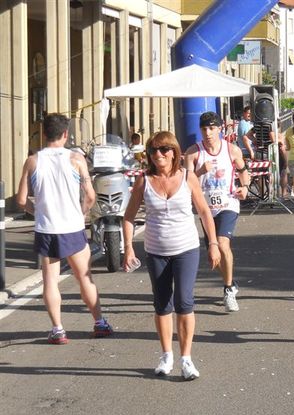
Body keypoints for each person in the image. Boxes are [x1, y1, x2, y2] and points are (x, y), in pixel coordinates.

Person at [123, 131, 220, 380]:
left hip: (186, 248)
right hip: (156, 251)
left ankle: (186, 359)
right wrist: (129, 247)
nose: (158, 155)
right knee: (162, 303)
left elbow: (204, 212)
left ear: (174, 152)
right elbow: (129, 217)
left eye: (164, 150)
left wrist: (213, 243)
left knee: (184, 302)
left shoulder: (188, 177)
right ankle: (167, 355)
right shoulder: (143, 181)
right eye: (153, 151)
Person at [16, 113, 113, 344]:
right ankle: (99, 322)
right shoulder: (76, 159)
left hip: (46, 227)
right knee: (84, 276)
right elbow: (90, 196)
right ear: (66, 134)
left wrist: (37, 211)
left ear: (44, 133)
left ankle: (58, 328)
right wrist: (80, 212)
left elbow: (21, 200)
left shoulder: (32, 161)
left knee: (50, 280)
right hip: (72, 227)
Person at [184, 111, 250, 311]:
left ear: (220, 128)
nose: (208, 133)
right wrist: (200, 171)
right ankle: (231, 282)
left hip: (228, 203)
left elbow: (243, 171)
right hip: (206, 209)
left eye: (212, 128)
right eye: (204, 129)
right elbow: (185, 183)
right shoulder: (193, 153)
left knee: (222, 243)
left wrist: (245, 187)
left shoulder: (232, 150)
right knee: (215, 254)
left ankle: (228, 290)